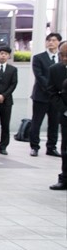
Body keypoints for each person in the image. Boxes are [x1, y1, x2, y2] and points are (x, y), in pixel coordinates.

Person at [30, 33, 63, 157]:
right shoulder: (38, 58)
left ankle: (51, 147)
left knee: (54, 123)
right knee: (36, 122)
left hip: (57, 97)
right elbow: (39, 76)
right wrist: (52, 89)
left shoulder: (62, 58)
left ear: (59, 42)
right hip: (41, 96)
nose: (51, 42)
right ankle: (34, 147)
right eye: (48, 40)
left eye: (54, 40)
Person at [47, 41, 67, 190]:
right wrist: (64, 110)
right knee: (65, 149)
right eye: (62, 55)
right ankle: (65, 178)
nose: (64, 58)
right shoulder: (55, 70)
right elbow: (52, 92)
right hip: (65, 114)